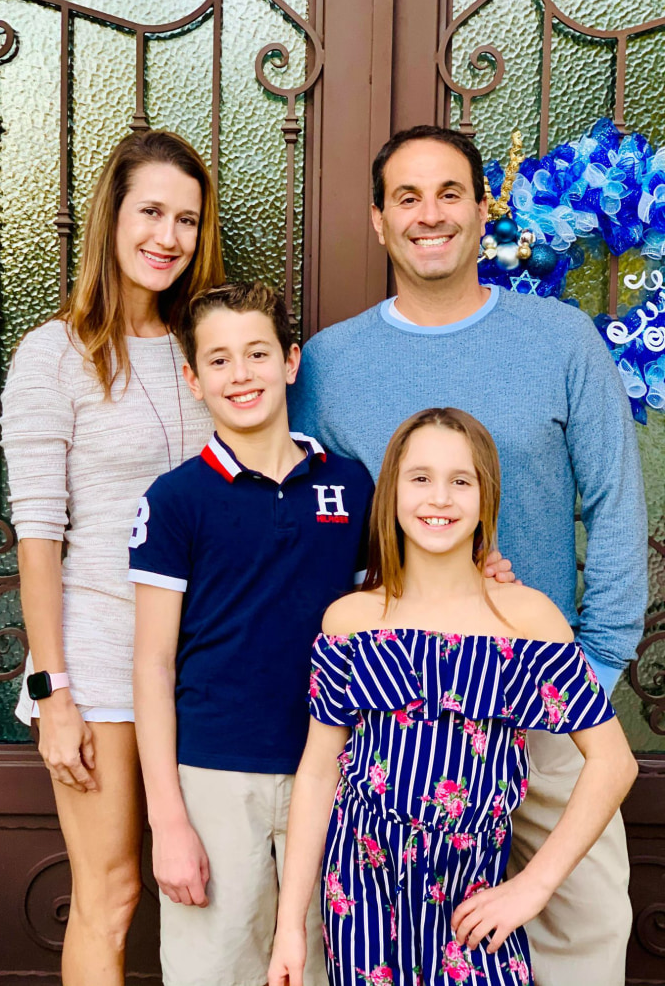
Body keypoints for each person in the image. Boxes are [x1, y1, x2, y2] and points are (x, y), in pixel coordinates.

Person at [288, 125, 648, 985]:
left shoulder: (563, 341)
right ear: (378, 220)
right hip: (403, 732)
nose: (429, 215)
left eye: (450, 192)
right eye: (405, 197)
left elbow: (615, 507)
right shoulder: (331, 364)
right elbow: (310, 525)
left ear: (484, 208)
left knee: (588, 931)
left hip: (548, 700)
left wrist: (588, 671)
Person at [269, 407, 638, 986]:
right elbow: (319, 773)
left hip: (474, 902)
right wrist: (291, 925)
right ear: (392, 490)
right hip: (363, 898)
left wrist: (531, 888)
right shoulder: (351, 619)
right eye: (420, 478)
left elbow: (614, 762)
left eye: (460, 481)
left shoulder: (525, 619)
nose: (438, 498)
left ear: (485, 496)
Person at [0, 130, 224, 986]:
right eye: (152, 212)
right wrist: (52, 693)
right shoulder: (54, 355)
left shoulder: (208, 350)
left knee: (214, 887)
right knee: (115, 892)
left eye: (188, 220)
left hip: (205, 657)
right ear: (113, 218)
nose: (168, 237)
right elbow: (37, 534)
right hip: (96, 658)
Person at [128, 280, 375, 986]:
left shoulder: (352, 485)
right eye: (220, 360)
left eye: (258, 353)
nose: (242, 374)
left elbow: (385, 615)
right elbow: (151, 663)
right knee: (217, 967)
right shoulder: (175, 500)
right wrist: (168, 820)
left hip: (333, 770)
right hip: (214, 778)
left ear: (291, 361)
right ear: (193, 378)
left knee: (327, 963)